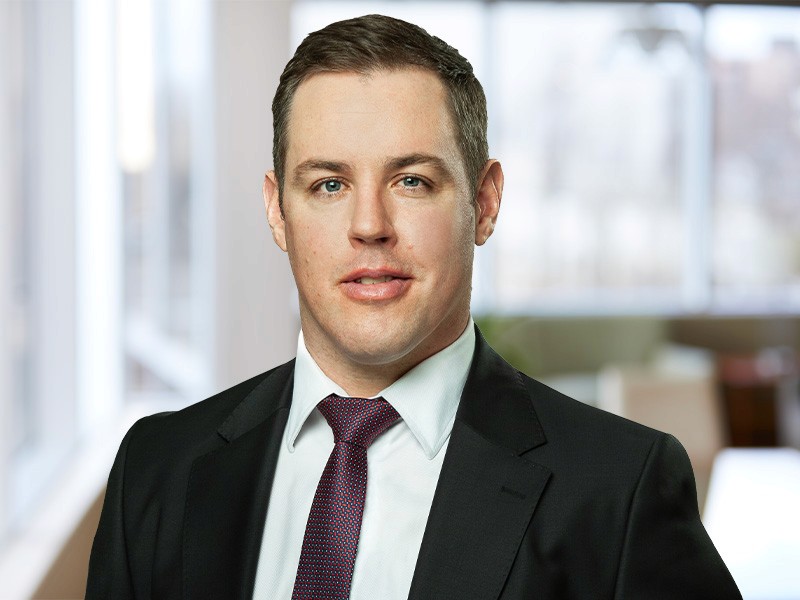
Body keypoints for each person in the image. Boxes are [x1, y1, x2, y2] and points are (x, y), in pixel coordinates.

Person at [87, 14, 741, 600]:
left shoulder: (617, 492)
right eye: (329, 184)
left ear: (483, 203)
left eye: (412, 181)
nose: (369, 225)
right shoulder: (157, 468)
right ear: (277, 210)